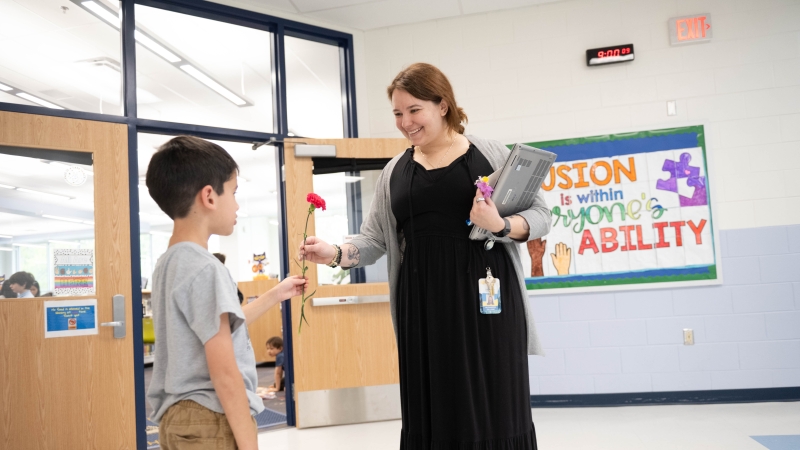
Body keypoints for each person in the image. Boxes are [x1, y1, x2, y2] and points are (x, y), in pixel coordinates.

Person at [299, 63, 550, 450]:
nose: (405, 122)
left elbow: (539, 216)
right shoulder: (394, 172)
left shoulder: (491, 154)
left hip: (487, 304)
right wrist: (335, 253)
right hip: (423, 307)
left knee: (494, 402)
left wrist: (499, 224)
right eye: (398, 113)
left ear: (443, 105)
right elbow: (374, 239)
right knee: (433, 405)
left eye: (414, 110)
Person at [145, 135, 307, 450]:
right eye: (233, 192)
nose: (236, 204)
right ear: (209, 196)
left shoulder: (170, 262)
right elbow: (225, 374)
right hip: (210, 417)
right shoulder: (206, 268)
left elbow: (214, 329)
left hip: (179, 418)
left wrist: (274, 295)